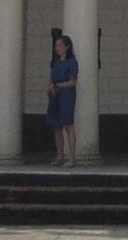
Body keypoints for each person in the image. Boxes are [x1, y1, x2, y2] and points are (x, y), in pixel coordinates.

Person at [46, 34, 78, 167]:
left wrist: (57, 86)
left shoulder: (72, 62)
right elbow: (51, 80)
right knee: (56, 126)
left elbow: (72, 82)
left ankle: (71, 158)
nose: (57, 48)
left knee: (68, 126)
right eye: (56, 46)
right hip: (55, 96)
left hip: (67, 96)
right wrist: (50, 88)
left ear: (67, 47)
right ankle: (60, 156)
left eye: (60, 45)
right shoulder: (55, 63)